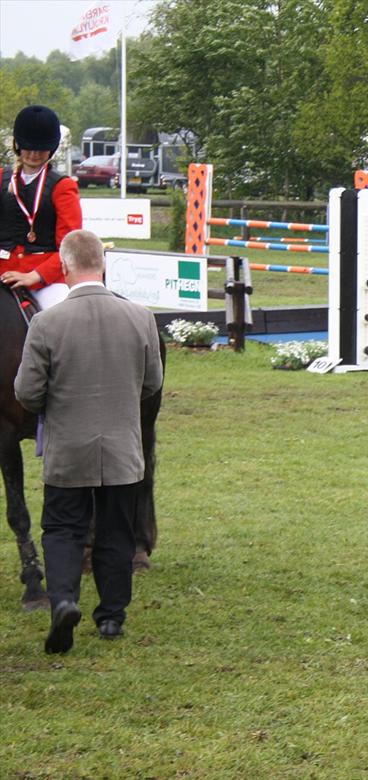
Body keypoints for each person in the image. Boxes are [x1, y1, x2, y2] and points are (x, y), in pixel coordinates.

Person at [15, 229, 163, 654]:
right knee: (116, 529)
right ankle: (112, 616)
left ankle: (63, 600)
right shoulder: (140, 317)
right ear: (104, 264)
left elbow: (27, 392)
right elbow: (151, 383)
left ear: (62, 268)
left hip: (68, 448)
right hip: (122, 448)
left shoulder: (46, 322)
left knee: (62, 528)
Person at [1, 105, 81, 310]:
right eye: (28, 147)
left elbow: (69, 246)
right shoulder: (2, 178)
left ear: (51, 149)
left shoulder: (63, 187)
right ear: (18, 144)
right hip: (3, 269)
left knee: (63, 317)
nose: (34, 154)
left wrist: (34, 276)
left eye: (41, 148)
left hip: (45, 280)